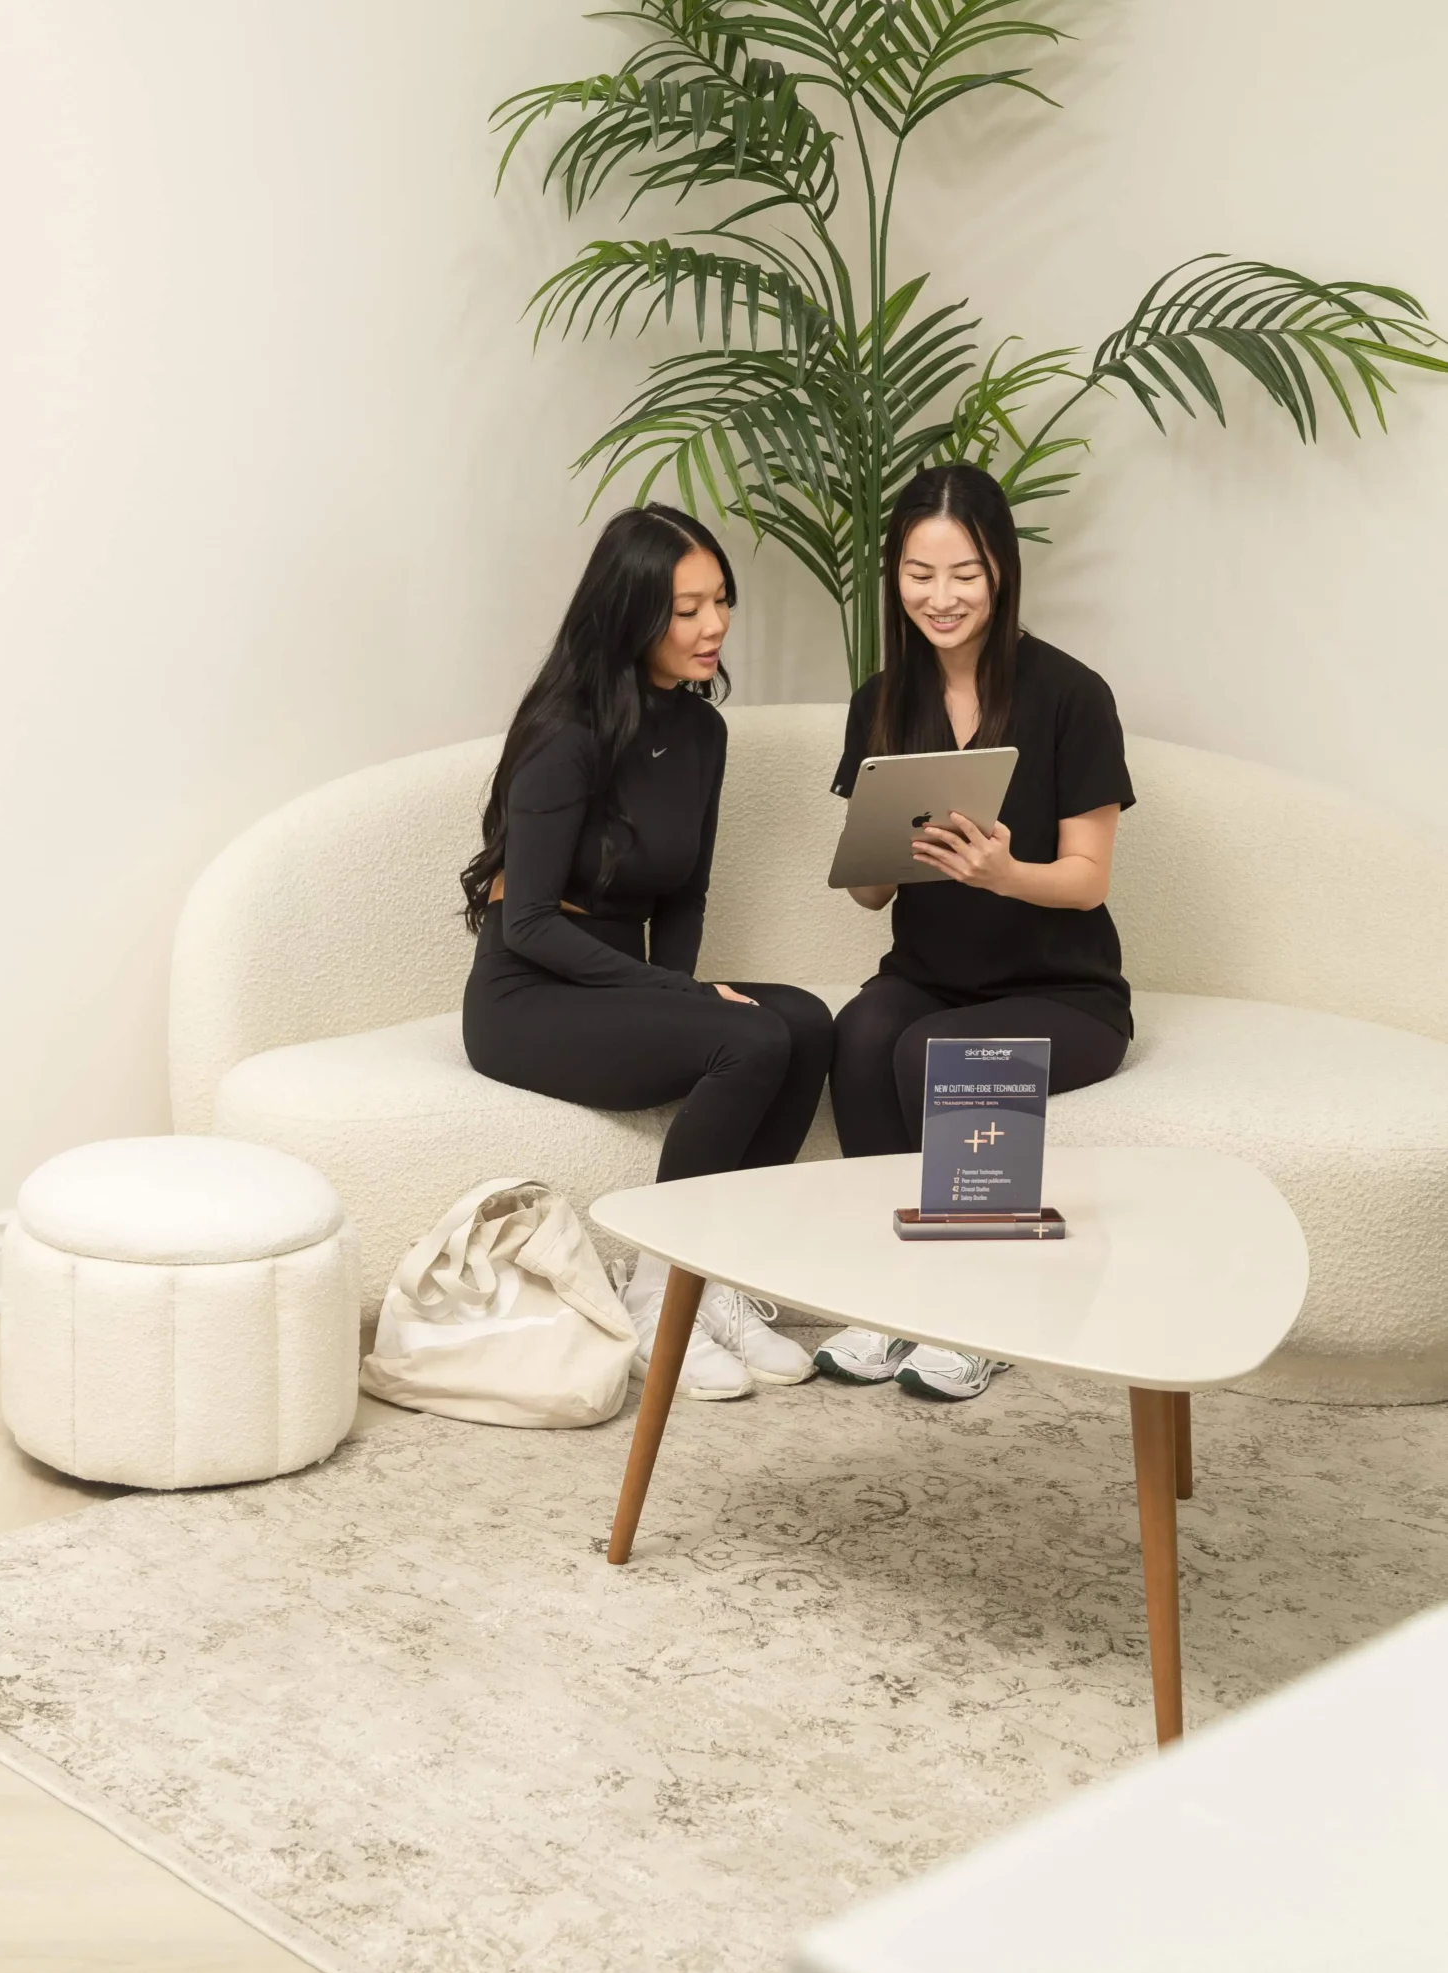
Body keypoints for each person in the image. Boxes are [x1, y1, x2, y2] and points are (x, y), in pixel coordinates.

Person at [461, 504, 834, 1401]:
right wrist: (687, 1002)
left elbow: (683, 894)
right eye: (686, 609)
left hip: (613, 982)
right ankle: (661, 1289)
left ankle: (721, 1279)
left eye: (721, 601)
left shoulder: (702, 735)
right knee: (748, 1035)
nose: (714, 626)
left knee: (807, 1022)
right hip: (528, 996)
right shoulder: (565, 734)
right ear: (631, 615)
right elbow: (530, 924)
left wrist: (677, 992)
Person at [817, 462, 1134, 1404]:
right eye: (919, 574)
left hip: (1063, 991)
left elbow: (1086, 879)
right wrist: (875, 850)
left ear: (1001, 571)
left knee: (934, 1053)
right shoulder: (881, 699)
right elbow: (870, 895)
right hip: (928, 973)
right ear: (894, 576)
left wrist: (1005, 873)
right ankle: (891, 1294)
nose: (941, 597)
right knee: (862, 1033)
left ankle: (982, 1312)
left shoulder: (1071, 694)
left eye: (965, 574)